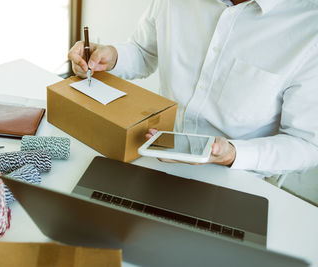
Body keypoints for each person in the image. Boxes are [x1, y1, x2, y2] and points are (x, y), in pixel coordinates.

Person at [68, 0, 318, 177]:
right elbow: (144, 52)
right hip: (156, 148)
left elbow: (306, 144)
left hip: (237, 176)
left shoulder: (309, 29)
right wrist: (110, 57)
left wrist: (232, 153)